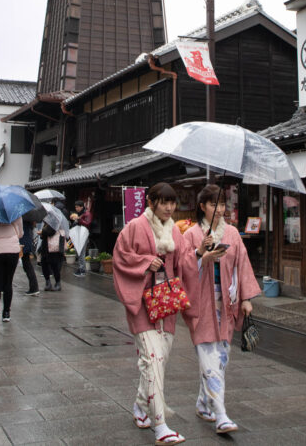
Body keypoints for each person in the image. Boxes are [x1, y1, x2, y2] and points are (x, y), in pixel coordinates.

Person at [112, 182, 196, 445]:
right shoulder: (135, 227)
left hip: (166, 305)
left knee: (157, 362)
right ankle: (160, 425)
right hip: (142, 304)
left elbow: (185, 262)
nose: (170, 207)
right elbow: (121, 256)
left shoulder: (175, 230)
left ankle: (140, 406)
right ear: (151, 202)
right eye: (164, 202)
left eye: (173, 202)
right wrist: (147, 262)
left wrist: (202, 253)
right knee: (152, 359)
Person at [182, 184, 261, 435]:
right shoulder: (192, 234)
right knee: (210, 359)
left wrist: (247, 297)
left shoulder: (233, 235)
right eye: (214, 204)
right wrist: (199, 255)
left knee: (222, 358)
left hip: (227, 303)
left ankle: (204, 403)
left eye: (223, 204)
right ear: (202, 206)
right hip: (201, 304)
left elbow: (242, 264)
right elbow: (181, 267)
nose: (219, 210)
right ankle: (221, 414)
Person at [39, 222, 65, 291]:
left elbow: (51, 232)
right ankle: (48, 282)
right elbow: (43, 236)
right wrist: (42, 233)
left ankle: (58, 283)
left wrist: (43, 231)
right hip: (45, 247)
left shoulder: (55, 222)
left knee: (54, 265)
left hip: (53, 247)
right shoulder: (46, 222)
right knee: (44, 264)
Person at [19, 225, 40, 296]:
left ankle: (34, 287)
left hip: (22, 242)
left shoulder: (22, 218)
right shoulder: (28, 219)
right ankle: (34, 287)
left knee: (27, 265)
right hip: (26, 241)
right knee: (27, 265)